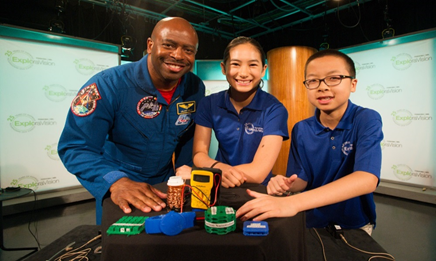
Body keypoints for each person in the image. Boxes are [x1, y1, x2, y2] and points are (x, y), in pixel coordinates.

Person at [58, 17, 205, 224]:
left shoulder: (195, 88)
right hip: (121, 191)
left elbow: (188, 138)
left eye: (188, 50)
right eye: (169, 45)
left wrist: (186, 178)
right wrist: (115, 181)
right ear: (150, 45)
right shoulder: (107, 85)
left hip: (168, 189)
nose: (178, 55)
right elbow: (75, 147)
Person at [236, 49, 383, 235]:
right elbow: (302, 179)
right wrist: (285, 184)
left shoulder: (366, 119)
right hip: (312, 223)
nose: (322, 87)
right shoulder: (301, 129)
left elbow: (366, 179)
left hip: (355, 225)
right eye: (313, 80)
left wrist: (291, 202)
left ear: (353, 84)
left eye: (334, 78)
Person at [192, 36, 288, 188]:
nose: (243, 73)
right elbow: (199, 154)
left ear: (263, 70)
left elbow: (258, 173)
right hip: (220, 188)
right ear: (223, 68)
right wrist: (220, 170)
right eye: (236, 64)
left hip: (257, 191)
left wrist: (210, 173)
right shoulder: (209, 103)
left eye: (252, 65)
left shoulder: (274, 110)